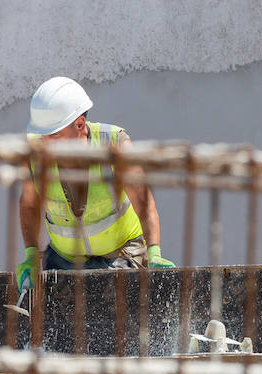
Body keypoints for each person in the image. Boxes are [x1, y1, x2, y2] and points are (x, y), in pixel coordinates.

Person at [16, 77, 174, 293]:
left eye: (54, 135)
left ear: (79, 124)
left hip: (122, 255)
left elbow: (144, 204)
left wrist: (154, 253)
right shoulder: (35, 155)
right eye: (42, 136)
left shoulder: (114, 146)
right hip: (65, 259)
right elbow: (29, 206)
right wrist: (31, 256)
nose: (46, 144)